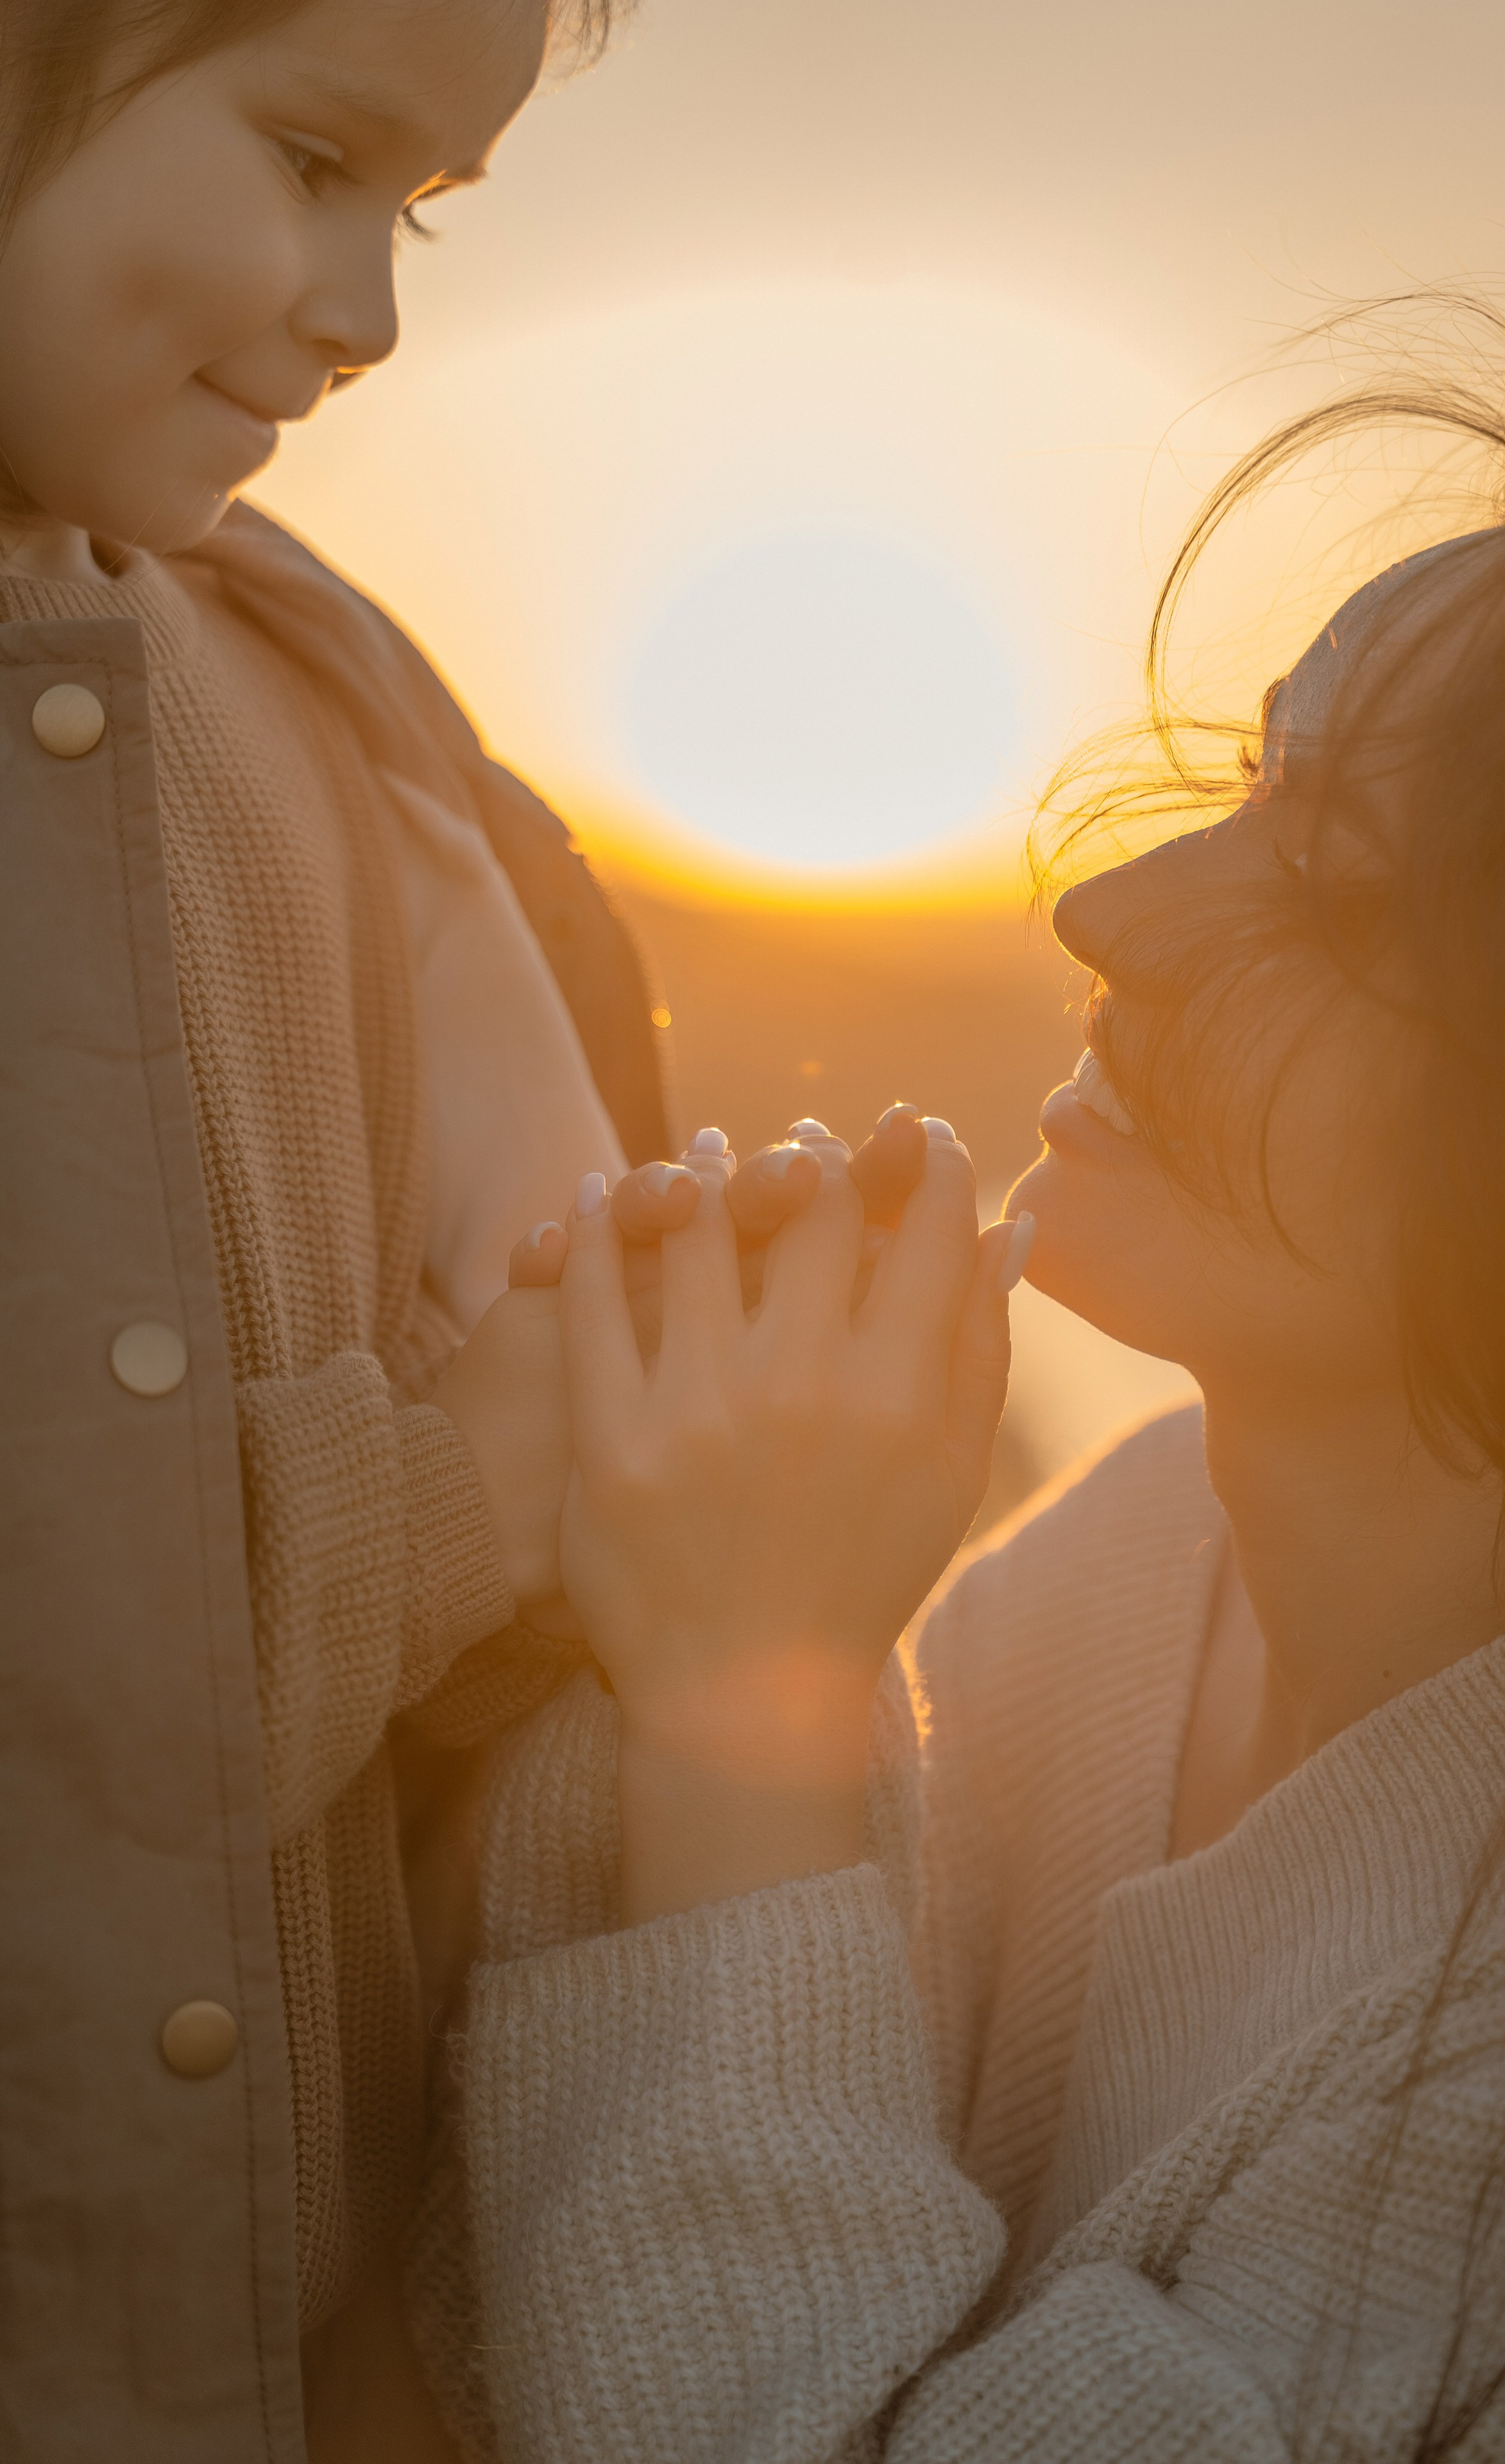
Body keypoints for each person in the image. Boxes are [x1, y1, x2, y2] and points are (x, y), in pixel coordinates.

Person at [446, 334, 1505, 2457]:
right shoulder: (1128, 1559)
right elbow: (561, 2260)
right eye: (1254, 785)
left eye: (1344, 891)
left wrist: (741, 1692)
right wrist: (623, 1536)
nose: (1108, 910)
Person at [0, 1, 832, 2451]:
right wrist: (466, 1476)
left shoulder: (337, 709)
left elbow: (456, 1740)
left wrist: (694, 1496)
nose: (364, 316)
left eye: (419, 214)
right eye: (307, 155)